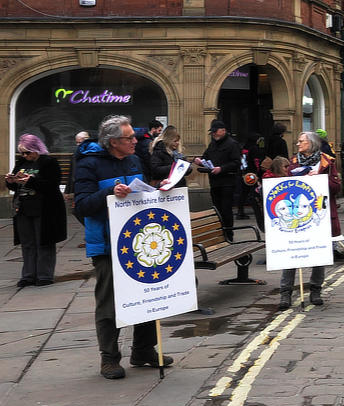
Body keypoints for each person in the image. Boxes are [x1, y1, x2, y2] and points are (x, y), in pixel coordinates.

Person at [73, 114, 172, 380]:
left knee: (148, 295)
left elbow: (142, 191)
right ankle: (109, 358)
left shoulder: (134, 159)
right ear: (113, 141)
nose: (135, 141)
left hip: (138, 241)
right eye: (129, 138)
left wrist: (158, 189)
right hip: (107, 245)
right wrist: (108, 193)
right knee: (109, 303)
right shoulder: (88, 164)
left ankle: (143, 350)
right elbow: (80, 205)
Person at [275, 131, 341, 308]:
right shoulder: (293, 162)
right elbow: (284, 186)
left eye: (301, 141)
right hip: (297, 214)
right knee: (292, 253)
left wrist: (319, 180)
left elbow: (336, 187)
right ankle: (285, 293)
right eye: (298, 141)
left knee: (318, 254)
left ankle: (316, 290)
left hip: (319, 214)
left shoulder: (328, 161)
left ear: (311, 144)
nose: (297, 144)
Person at [6, 133, 68, 288]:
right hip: (24, 207)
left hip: (45, 208)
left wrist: (31, 181)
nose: (25, 155)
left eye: (28, 152)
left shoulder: (48, 162)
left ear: (36, 149)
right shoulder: (21, 162)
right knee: (27, 243)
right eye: (22, 153)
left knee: (44, 242)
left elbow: (52, 184)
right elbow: (16, 187)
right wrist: (11, 182)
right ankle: (28, 275)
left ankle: (44, 275)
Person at [195, 119, 241, 241]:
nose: (214, 134)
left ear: (223, 131)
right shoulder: (212, 144)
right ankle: (220, 233)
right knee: (217, 209)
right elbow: (206, 157)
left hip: (227, 182)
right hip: (215, 182)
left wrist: (222, 169)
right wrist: (200, 161)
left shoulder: (232, 144)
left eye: (216, 131)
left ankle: (229, 235)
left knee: (226, 209)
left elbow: (236, 163)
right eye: (212, 132)